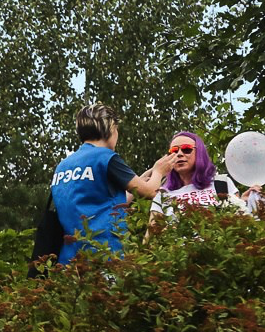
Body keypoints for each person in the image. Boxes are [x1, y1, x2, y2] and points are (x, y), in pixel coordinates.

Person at [45, 103, 176, 266]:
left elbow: (103, 203)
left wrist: (140, 179)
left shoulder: (63, 165)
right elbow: (150, 192)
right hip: (104, 254)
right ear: (110, 129)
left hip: (69, 259)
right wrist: (159, 172)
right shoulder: (106, 157)